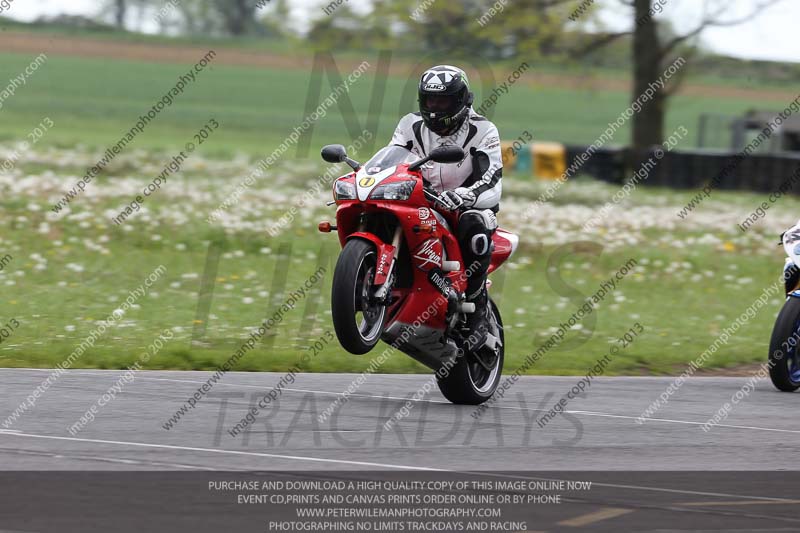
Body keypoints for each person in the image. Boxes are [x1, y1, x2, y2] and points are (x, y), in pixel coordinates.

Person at [390, 65, 502, 347]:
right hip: (421, 200)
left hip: (468, 206)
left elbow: (491, 180)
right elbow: (393, 160)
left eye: (443, 101)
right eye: (430, 101)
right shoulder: (409, 125)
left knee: (474, 224)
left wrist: (464, 197)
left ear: (462, 100)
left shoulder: (483, 130)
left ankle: (476, 306)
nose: (436, 108)